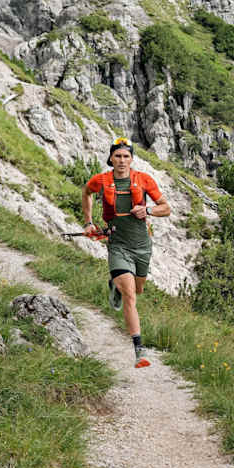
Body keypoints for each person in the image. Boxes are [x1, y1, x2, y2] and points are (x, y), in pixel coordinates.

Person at [82, 137, 170, 368]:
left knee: (138, 289)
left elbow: (166, 208)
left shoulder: (143, 180)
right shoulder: (101, 180)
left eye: (126, 156)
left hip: (142, 246)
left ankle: (115, 284)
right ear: (111, 158)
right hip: (118, 245)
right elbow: (87, 193)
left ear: (131, 159)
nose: (121, 160)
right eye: (118, 156)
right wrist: (88, 222)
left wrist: (148, 210)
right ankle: (139, 351)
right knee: (130, 295)